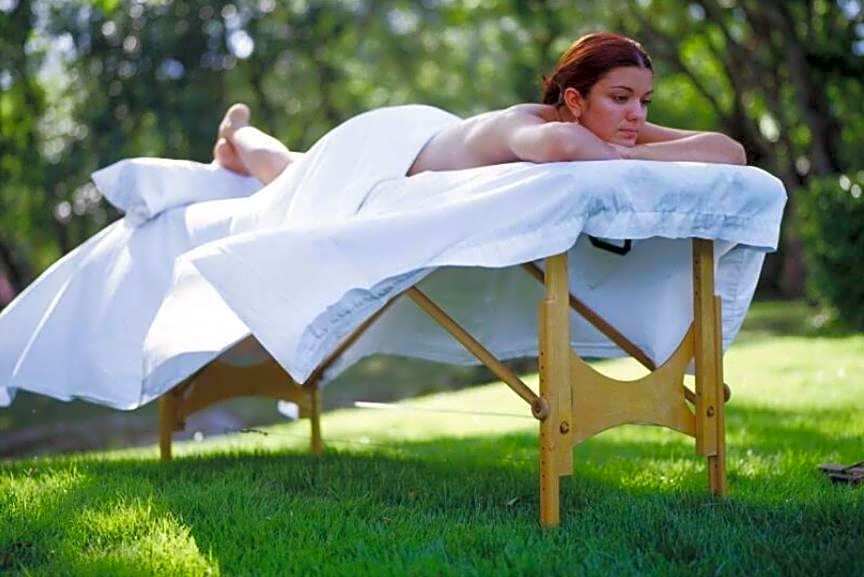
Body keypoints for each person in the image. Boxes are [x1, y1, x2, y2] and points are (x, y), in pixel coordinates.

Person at [212, 31, 746, 186]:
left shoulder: (606, 128)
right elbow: (564, 147)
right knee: (287, 173)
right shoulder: (533, 125)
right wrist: (653, 154)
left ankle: (236, 150)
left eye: (644, 102)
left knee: (296, 163)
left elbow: (730, 151)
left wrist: (637, 136)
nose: (636, 115)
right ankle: (240, 133)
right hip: (383, 145)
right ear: (575, 101)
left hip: (432, 132)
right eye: (622, 98)